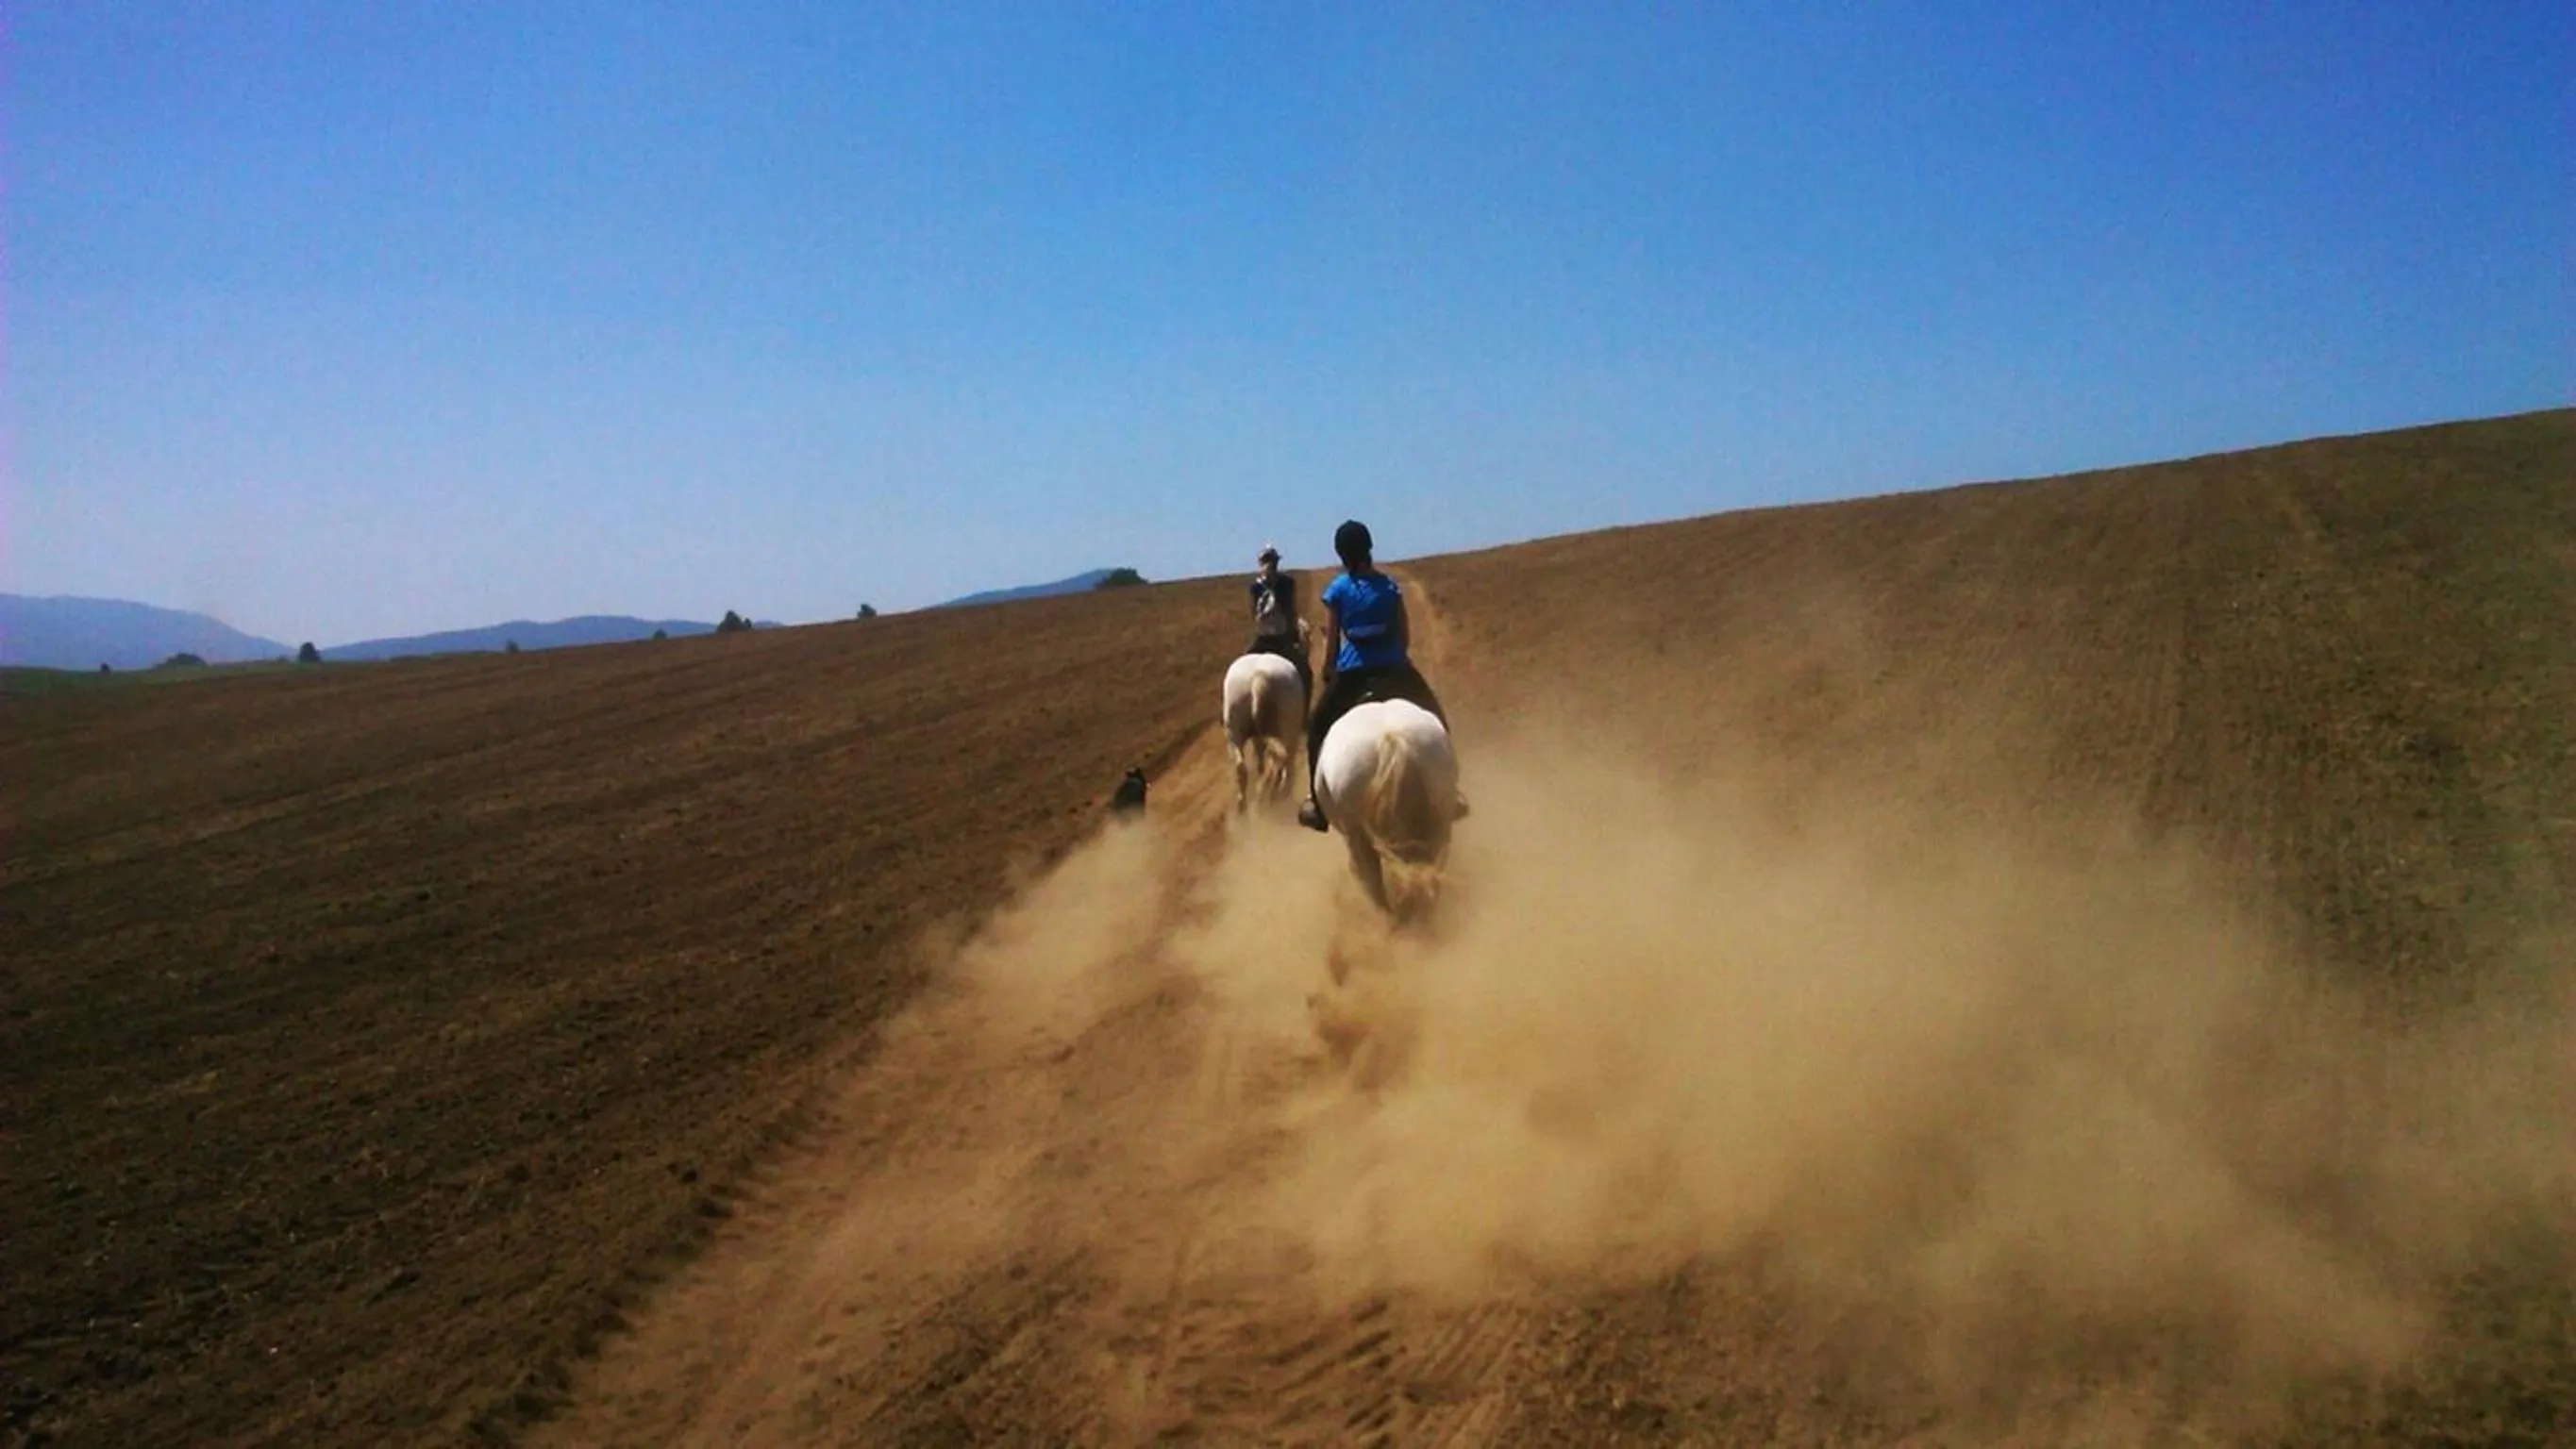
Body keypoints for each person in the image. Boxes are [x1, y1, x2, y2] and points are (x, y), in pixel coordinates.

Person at [1296, 520, 1467, 832]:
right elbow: (1404, 636)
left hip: (1352, 673)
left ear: (1342, 554)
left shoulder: (1338, 590)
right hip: (1394, 668)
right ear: (1369, 548)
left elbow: (1333, 641)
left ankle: (1317, 804)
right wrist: (1393, 655)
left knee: (1318, 728)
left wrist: (1327, 671)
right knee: (1436, 716)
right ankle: (1452, 793)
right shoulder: (1390, 587)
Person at [1245, 544, 1312, 701]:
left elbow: (1253, 614)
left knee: (1241, 665)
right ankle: (1304, 714)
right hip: (1283, 639)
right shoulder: (1287, 583)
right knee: (1305, 673)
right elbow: (1290, 611)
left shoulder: (1255, 587)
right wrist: (1295, 634)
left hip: (1262, 639)